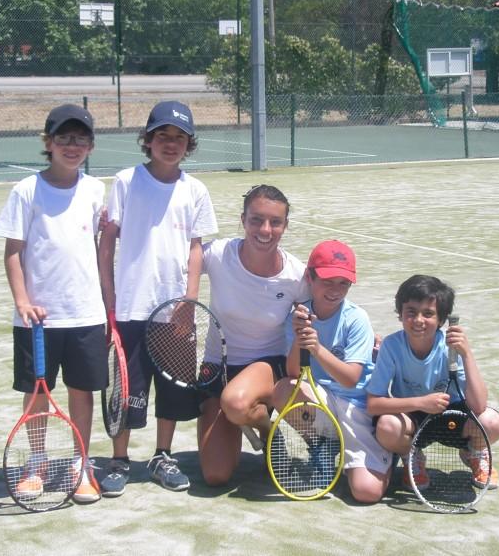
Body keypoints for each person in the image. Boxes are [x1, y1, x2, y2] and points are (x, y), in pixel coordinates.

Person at [98, 100, 218, 497]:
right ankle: (119, 459)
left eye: (179, 138)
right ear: (147, 140)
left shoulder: (196, 190)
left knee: (172, 392)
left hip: (175, 312)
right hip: (131, 308)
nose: (171, 144)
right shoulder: (126, 181)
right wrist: (109, 299)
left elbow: (196, 248)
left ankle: (162, 455)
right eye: (162, 136)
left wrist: (189, 300)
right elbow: (107, 242)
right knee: (128, 390)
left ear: (190, 144)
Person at [0, 103, 107, 504]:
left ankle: (82, 463)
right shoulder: (26, 190)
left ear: (90, 145)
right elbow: (13, 251)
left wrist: (106, 305)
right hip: (36, 319)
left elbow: (97, 248)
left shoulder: (95, 190)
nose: (71, 146)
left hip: (86, 314)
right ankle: (37, 459)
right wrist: (23, 301)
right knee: (37, 394)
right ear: (49, 143)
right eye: (63, 138)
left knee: (82, 391)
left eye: (80, 139)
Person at [197, 185, 309, 486]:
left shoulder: (297, 275)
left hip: (267, 367)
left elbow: (325, 310)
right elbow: (177, 258)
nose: (265, 229)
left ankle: (260, 421)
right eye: (256, 220)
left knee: (235, 402)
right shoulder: (219, 254)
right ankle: (266, 426)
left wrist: (369, 335)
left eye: (275, 222)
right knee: (215, 475)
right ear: (243, 220)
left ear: (285, 226)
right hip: (217, 367)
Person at [273, 240, 393, 503]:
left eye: (343, 283)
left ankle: (386, 455)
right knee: (284, 389)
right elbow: (293, 371)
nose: (335, 290)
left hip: (356, 406)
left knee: (366, 493)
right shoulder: (296, 316)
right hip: (321, 399)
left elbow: (351, 380)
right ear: (310, 277)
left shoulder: (356, 318)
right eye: (327, 280)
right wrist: (298, 336)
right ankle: (323, 446)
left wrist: (316, 348)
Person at [365, 274, 499, 491]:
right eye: (411, 312)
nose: (419, 320)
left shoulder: (452, 347)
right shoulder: (391, 346)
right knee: (386, 427)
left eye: (428, 314)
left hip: (453, 414)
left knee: (492, 422)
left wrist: (467, 354)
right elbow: (374, 404)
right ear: (400, 314)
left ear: (441, 320)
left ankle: (475, 452)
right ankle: (412, 456)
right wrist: (421, 403)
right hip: (414, 414)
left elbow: (478, 405)